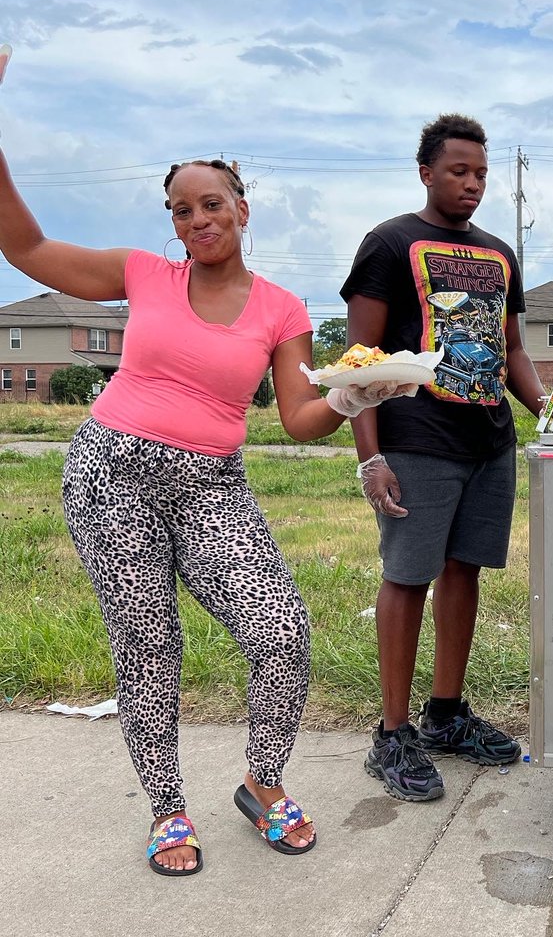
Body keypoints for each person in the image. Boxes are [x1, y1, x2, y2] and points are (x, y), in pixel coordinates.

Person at [0, 143, 403, 877]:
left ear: (241, 209)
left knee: (280, 630)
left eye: (211, 204)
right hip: (111, 475)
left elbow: (296, 416)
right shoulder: (140, 274)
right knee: (148, 647)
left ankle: (263, 782)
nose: (197, 220)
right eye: (180, 211)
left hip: (212, 485)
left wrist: (351, 398)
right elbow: (23, 244)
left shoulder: (281, 308)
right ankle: (166, 809)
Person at [341, 112, 545, 802]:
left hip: (488, 441)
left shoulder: (498, 253)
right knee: (408, 576)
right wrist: (369, 457)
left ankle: (446, 716)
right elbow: (358, 361)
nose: (472, 184)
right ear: (425, 171)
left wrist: (551, 411)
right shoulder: (390, 242)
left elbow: (512, 349)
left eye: (481, 173)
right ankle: (391, 734)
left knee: (465, 573)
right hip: (416, 438)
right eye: (458, 171)